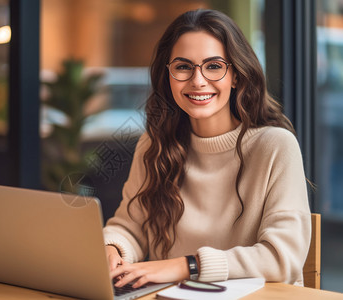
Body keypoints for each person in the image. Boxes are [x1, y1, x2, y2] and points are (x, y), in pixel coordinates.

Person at [103, 9, 311, 289]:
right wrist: (113, 249)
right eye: (183, 66)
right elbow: (130, 225)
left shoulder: (275, 146)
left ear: (236, 75)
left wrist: (185, 266)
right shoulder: (154, 145)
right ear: (168, 75)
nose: (198, 80)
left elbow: (283, 258)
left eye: (214, 66)